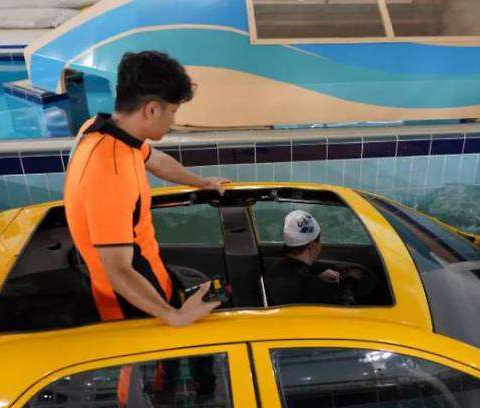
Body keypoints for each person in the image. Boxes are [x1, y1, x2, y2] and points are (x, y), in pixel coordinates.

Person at [64, 51, 229, 326]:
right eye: (173, 111)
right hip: (134, 308)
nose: (173, 121)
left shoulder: (100, 129)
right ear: (151, 109)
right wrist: (174, 316)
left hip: (152, 279)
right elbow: (117, 270)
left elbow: (158, 161)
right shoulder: (109, 172)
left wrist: (202, 182)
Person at [266, 210, 361, 305]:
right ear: (311, 245)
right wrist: (351, 281)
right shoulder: (314, 289)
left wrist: (318, 279)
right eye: (319, 240)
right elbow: (344, 311)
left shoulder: (274, 271)